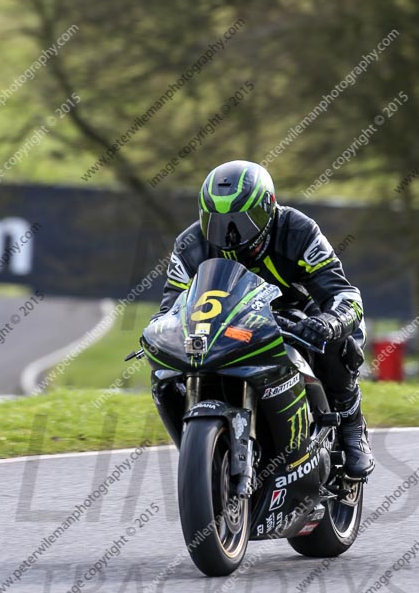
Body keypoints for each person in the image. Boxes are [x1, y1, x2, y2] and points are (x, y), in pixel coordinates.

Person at [151, 160, 374, 479]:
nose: (229, 234)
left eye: (241, 221)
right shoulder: (190, 245)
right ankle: (201, 447)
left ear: (268, 208)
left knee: (336, 342)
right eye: (216, 221)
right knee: (167, 368)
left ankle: (352, 426)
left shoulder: (298, 230)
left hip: (296, 318)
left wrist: (329, 321)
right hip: (226, 325)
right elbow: (171, 305)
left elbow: (341, 292)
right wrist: (163, 332)